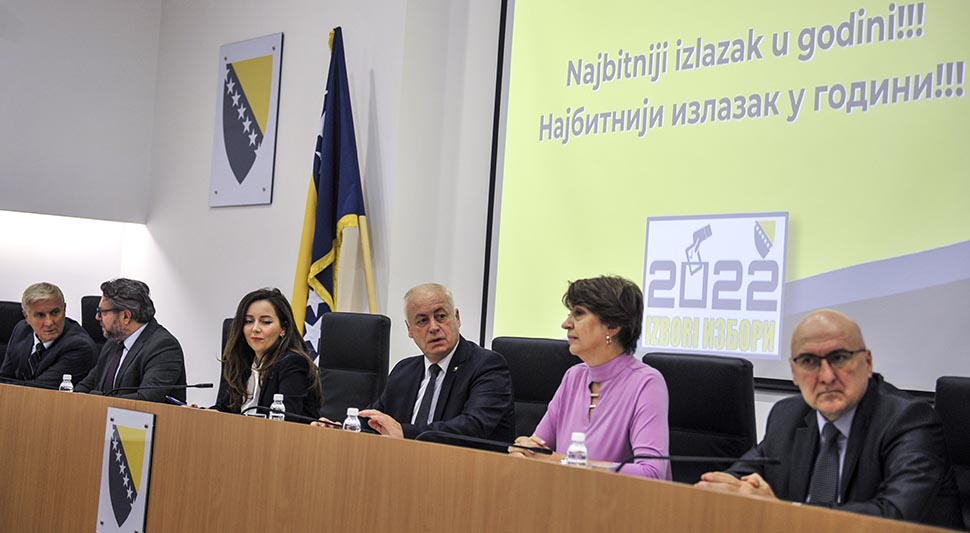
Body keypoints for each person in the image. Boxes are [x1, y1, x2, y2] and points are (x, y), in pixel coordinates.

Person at [696, 309, 963, 528]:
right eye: (809, 361)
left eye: (839, 358)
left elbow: (892, 517)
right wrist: (720, 489)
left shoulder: (910, 421)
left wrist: (783, 512)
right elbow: (738, 480)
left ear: (868, 362)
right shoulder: (787, 417)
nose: (826, 376)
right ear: (794, 372)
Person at [509, 276, 671, 480]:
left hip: (617, 499)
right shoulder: (574, 377)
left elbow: (652, 472)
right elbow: (538, 447)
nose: (565, 324)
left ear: (613, 325)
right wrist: (524, 451)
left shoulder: (646, 383)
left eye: (578, 313)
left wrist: (561, 461)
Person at [316, 283, 514, 441]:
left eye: (441, 316)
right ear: (409, 329)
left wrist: (404, 432)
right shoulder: (405, 371)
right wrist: (341, 428)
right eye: (422, 321)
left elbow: (473, 427)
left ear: (457, 318)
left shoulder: (487, 366)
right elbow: (376, 421)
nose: (433, 327)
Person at [212, 288, 322, 419]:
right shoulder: (245, 362)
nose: (255, 329)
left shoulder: (292, 363)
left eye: (265, 322)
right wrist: (201, 412)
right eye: (249, 321)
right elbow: (225, 408)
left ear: (283, 328)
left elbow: (287, 419)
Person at [76, 278, 187, 403]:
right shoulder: (113, 342)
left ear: (126, 316)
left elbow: (145, 400)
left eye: (102, 312)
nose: (97, 317)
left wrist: (96, 398)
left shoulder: (164, 347)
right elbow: (87, 385)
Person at [0, 282, 96, 388]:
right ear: (26, 316)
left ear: (64, 309)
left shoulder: (79, 347)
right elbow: (4, 378)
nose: (49, 322)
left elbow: (37, 390)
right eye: (40, 315)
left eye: (55, 313)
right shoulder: (22, 330)